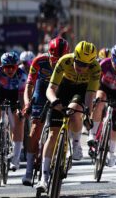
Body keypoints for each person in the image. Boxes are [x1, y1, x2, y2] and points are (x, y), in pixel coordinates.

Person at [36, 41, 100, 192]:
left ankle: (76, 143)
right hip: (62, 88)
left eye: (86, 65)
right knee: (52, 135)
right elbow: (50, 89)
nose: (81, 68)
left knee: (74, 111)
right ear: (74, 58)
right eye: (78, 63)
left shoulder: (96, 69)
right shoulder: (64, 61)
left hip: (81, 91)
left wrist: (88, 114)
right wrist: (55, 101)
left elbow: (90, 95)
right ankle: (43, 178)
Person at [21, 37, 69, 186]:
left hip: (58, 92)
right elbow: (29, 85)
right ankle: (29, 170)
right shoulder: (39, 61)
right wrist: (28, 103)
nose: (56, 62)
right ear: (49, 53)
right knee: (35, 128)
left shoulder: (68, 63)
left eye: (60, 58)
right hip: (41, 93)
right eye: (54, 58)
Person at [0, 51, 27, 171]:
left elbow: (22, 96)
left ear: (17, 66)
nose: (10, 70)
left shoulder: (22, 75)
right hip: (1, 93)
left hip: (16, 95)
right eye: (7, 67)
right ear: (2, 67)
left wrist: (21, 110)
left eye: (12, 67)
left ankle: (16, 159)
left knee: (19, 121)